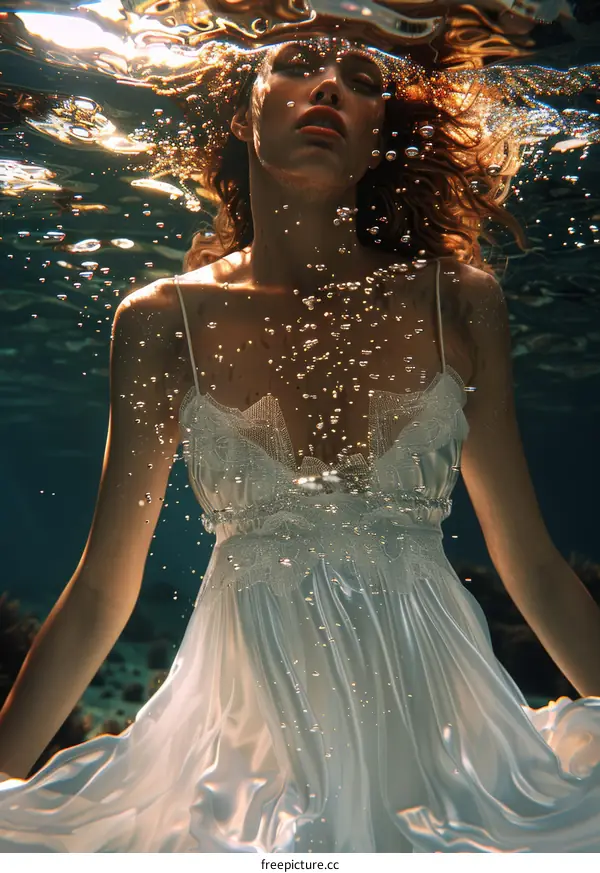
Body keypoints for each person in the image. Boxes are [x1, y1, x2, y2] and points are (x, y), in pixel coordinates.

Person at [2, 32, 600, 853]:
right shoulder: (158, 319)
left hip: (444, 749)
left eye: (360, 81)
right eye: (296, 67)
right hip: (239, 752)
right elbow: (105, 588)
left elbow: (530, 563)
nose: (328, 87)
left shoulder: (458, 299)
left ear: (379, 134)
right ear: (244, 116)